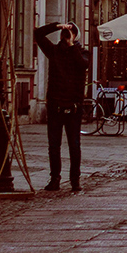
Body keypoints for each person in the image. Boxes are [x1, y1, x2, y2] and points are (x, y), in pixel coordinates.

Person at [33, 21, 87, 193]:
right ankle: (55, 179)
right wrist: (57, 26)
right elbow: (38, 34)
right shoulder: (54, 52)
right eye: (64, 34)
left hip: (74, 107)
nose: (65, 37)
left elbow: (82, 65)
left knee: (74, 145)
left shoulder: (83, 53)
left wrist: (71, 45)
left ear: (75, 36)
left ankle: (75, 180)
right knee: (54, 145)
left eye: (68, 33)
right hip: (55, 105)